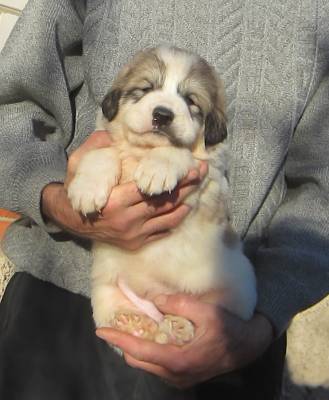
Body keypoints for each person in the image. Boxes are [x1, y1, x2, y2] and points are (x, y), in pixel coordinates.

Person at [0, 0, 328, 399]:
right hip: (64, 312)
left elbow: (321, 191)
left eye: (189, 102)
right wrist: (56, 200)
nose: (165, 108)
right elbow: (13, 108)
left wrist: (261, 322)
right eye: (147, 89)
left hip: (226, 332)